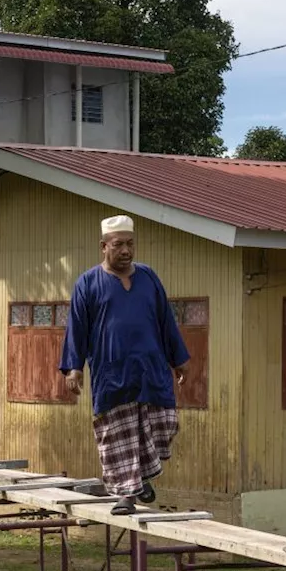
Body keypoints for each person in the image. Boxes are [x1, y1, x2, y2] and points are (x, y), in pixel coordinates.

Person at [60, 215, 190, 515]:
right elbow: (76, 328)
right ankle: (125, 496)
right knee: (118, 436)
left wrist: (178, 359)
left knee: (164, 425)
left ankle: (143, 477)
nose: (126, 251)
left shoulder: (149, 278)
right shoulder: (88, 283)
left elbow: (165, 321)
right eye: (118, 245)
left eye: (130, 244)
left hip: (151, 370)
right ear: (103, 247)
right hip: (112, 373)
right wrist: (74, 367)